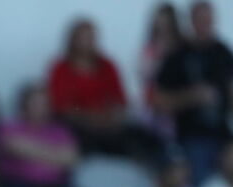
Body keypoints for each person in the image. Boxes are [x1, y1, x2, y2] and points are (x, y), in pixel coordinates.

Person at [48, 18, 160, 159]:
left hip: (108, 125)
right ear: (72, 39)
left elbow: (120, 101)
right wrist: (90, 118)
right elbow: (60, 107)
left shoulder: (107, 66)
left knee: (143, 136)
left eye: (91, 37)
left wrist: (110, 118)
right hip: (77, 126)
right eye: (82, 37)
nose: (87, 41)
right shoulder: (60, 68)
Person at [0, 83, 98, 187]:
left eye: (45, 103)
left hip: (54, 186)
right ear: (24, 105)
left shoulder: (60, 131)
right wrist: (54, 155)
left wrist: (30, 151)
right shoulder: (9, 126)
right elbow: (12, 146)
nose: (42, 107)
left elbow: (71, 160)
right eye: (36, 103)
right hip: (21, 184)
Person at [155, 1, 233, 187]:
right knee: (199, 183)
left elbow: (232, 95)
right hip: (191, 136)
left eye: (209, 20)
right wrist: (192, 96)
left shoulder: (223, 53)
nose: (206, 24)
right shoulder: (177, 56)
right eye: (201, 19)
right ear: (192, 21)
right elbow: (159, 100)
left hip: (223, 134)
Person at [138, 3, 184, 137]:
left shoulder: (181, 47)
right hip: (153, 102)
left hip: (177, 101)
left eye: (166, 22)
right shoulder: (150, 48)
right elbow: (144, 74)